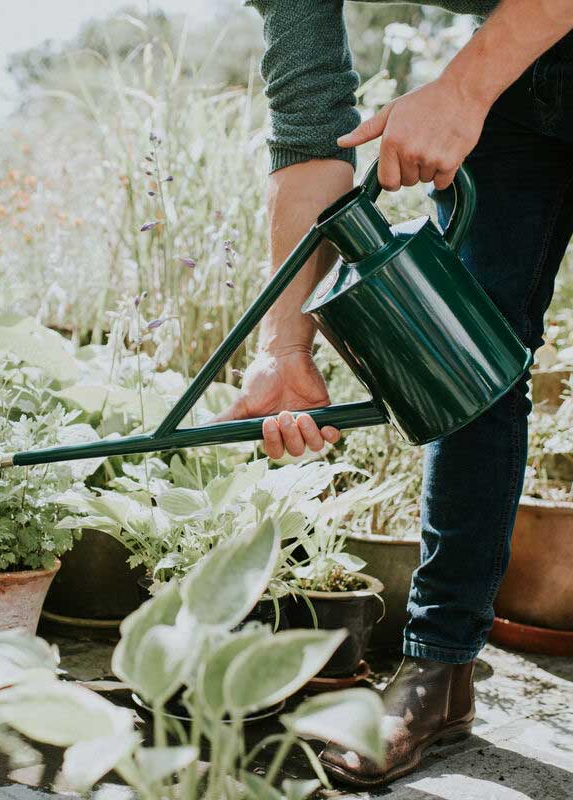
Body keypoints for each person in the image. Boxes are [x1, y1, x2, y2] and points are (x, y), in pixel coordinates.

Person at [218, 0, 573, 788]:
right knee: (465, 352)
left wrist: (462, 89)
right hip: (523, 71)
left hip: (509, 55)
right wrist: (285, 347)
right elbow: (312, 136)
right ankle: (438, 671)